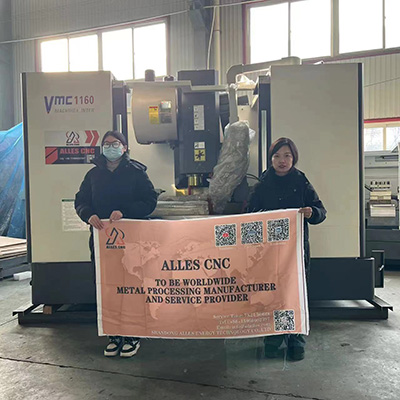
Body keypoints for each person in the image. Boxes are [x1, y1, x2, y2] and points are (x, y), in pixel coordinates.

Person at [75, 130, 157, 358]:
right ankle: (114, 334)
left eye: (115, 143)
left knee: (131, 285)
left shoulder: (137, 173)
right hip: (103, 243)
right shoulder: (93, 175)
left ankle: (132, 334)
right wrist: (88, 214)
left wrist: (126, 212)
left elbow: (150, 201)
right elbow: (80, 201)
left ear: (124, 147)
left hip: (131, 242)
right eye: (107, 144)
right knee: (107, 286)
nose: (111, 147)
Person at [247, 137, 326, 361]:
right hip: (270, 253)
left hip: (296, 252)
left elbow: (321, 211)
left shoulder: (301, 182)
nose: (282, 160)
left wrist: (312, 212)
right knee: (272, 294)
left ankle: (295, 340)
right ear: (271, 159)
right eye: (277, 156)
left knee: (296, 294)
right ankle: (272, 339)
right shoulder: (262, 184)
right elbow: (249, 214)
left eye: (287, 156)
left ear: (294, 158)